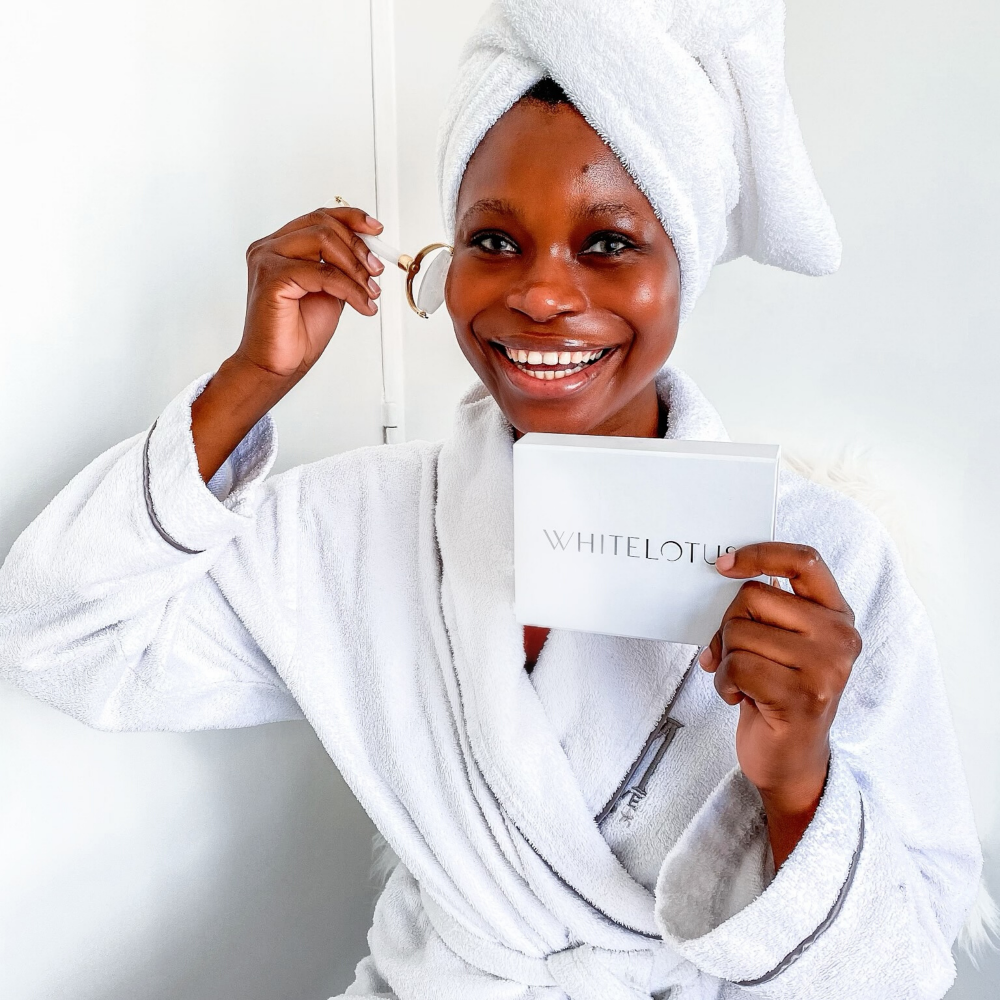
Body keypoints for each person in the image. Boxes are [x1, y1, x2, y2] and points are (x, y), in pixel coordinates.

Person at [0, 1, 982, 997]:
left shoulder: (817, 556)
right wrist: (252, 376)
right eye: (495, 241)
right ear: (447, 265)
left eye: (607, 245)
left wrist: (797, 784)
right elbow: (58, 637)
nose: (542, 294)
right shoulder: (354, 525)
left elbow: (907, 966)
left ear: (684, 268)